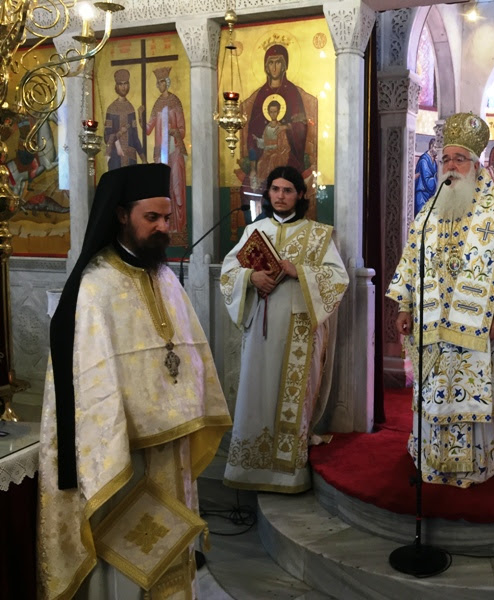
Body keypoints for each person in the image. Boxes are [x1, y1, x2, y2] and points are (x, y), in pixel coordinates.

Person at [39, 164, 232, 599]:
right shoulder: (95, 286)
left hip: (173, 447)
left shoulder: (164, 277)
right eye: (152, 218)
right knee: (129, 564)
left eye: (168, 217)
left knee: (174, 550)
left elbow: (190, 354)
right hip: (124, 455)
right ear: (122, 214)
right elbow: (90, 383)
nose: (164, 227)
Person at [387, 112, 494, 487]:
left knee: (476, 388)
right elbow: (412, 260)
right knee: (434, 388)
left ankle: (478, 461)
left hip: (480, 327)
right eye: (446, 159)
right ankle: (431, 455)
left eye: (460, 159)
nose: (451, 166)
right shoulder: (429, 212)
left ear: (476, 164)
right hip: (431, 324)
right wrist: (404, 305)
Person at [220, 165, 348, 493]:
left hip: (299, 330)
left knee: (293, 399)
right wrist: (251, 277)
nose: (280, 196)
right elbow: (228, 272)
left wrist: (299, 271)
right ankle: (248, 469)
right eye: (275, 189)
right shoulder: (254, 231)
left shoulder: (318, 234)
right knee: (256, 390)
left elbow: (338, 278)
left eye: (287, 190)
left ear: (300, 195)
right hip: (259, 332)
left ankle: (288, 473)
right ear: (268, 193)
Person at [241, 44, 315, 194]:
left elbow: (301, 125)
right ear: (266, 67)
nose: (274, 67)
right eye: (271, 63)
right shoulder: (261, 94)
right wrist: (253, 166)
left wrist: (286, 128)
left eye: (278, 62)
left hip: (287, 153)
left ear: (284, 66)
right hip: (264, 155)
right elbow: (253, 131)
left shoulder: (292, 92)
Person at [139, 66, 188, 234]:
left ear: (167, 82)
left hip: (175, 149)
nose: (160, 85)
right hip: (161, 152)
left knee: (176, 185)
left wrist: (174, 131)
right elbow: (148, 129)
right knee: (163, 187)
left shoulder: (175, 101)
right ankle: (165, 226)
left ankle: (179, 226)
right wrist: (141, 116)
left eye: (162, 82)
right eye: (158, 83)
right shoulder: (157, 104)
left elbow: (182, 130)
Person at [104, 68, 145, 170]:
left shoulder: (130, 108)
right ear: (116, 86)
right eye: (120, 84)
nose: (123, 87)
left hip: (130, 158)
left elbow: (135, 137)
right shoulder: (111, 109)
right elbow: (106, 137)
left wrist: (143, 158)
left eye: (125, 83)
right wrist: (119, 133)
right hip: (116, 158)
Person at [414, 138, 438, 214]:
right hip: (422, 197)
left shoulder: (434, 162)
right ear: (431, 147)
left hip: (429, 197)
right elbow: (428, 184)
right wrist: (438, 176)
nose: (438, 150)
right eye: (436, 147)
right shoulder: (423, 161)